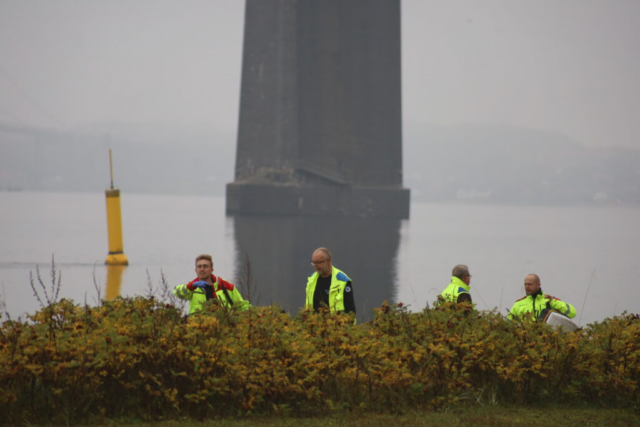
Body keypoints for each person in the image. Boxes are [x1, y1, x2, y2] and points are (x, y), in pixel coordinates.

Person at [173, 254, 250, 315]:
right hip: (198, 330)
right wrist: (192, 286)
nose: (202, 269)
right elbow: (177, 293)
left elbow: (242, 306)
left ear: (211, 270)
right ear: (196, 270)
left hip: (223, 329)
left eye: (205, 266)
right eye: (199, 267)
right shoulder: (192, 287)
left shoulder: (225, 286)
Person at [305, 247, 356, 315]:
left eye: (319, 262)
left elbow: (350, 311)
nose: (316, 266)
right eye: (314, 263)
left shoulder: (342, 281)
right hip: (315, 324)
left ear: (328, 260)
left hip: (335, 324)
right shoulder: (311, 280)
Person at [508, 274, 576, 321]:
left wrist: (554, 302)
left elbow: (572, 313)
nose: (527, 287)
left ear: (538, 285)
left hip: (545, 339)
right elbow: (507, 324)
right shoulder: (518, 304)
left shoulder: (549, 301)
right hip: (525, 340)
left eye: (530, 284)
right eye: (525, 284)